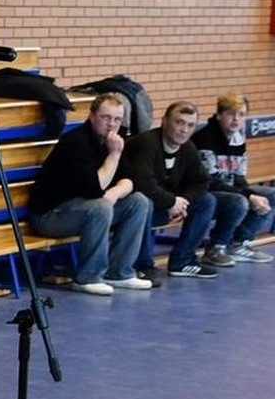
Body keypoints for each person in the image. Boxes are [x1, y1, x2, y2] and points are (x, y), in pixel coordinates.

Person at [28, 93, 154, 295]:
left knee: (138, 202)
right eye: (106, 117)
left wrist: (114, 193)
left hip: (83, 210)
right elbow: (94, 189)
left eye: (117, 119)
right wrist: (114, 155)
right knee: (100, 207)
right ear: (92, 116)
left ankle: (119, 273)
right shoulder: (76, 142)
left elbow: (132, 181)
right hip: (49, 215)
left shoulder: (110, 141)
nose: (111, 124)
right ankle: (88, 277)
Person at [118, 101, 218, 280]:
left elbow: (202, 180)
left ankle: (182, 261)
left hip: (165, 205)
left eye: (190, 125)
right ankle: (143, 266)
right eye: (179, 122)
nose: (184, 130)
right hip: (130, 209)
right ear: (164, 121)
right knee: (144, 202)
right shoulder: (147, 143)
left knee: (207, 201)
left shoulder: (187, 147)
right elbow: (142, 183)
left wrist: (183, 201)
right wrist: (171, 202)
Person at [192, 93, 275, 266]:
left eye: (241, 114)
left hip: (228, 190)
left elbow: (239, 179)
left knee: (270, 195)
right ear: (219, 115)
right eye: (230, 114)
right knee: (239, 201)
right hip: (205, 193)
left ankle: (238, 244)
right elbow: (211, 181)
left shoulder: (238, 138)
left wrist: (251, 194)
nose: (236, 119)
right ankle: (215, 248)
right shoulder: (204, 139)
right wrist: (249, 196)